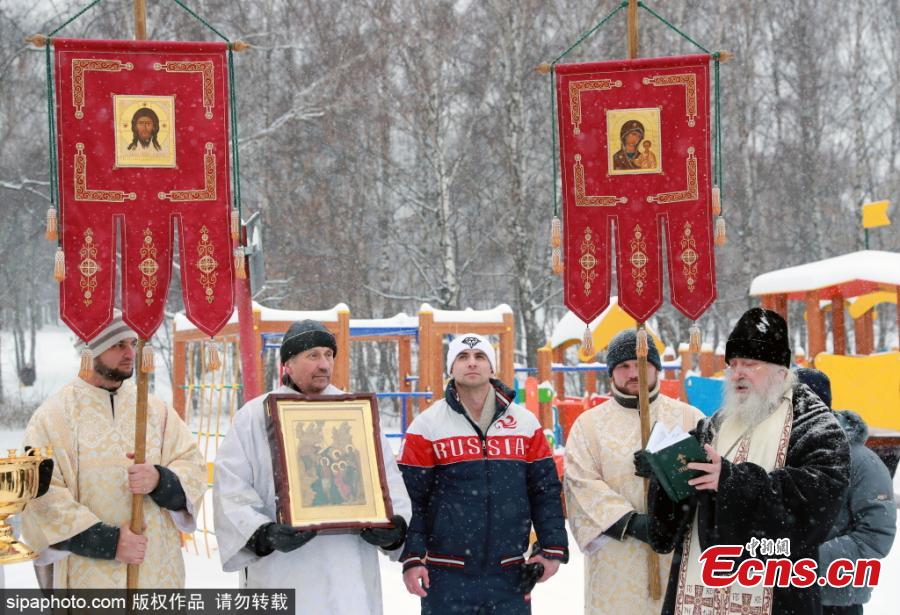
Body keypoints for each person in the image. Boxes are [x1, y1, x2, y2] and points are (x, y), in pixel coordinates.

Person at [642, 308, 850, 615]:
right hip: (697, 594)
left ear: (781, 370)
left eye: (750, 364)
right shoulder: (714, 425)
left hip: (777, 593)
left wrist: (731, 481)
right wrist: (666, 475)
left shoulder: (815, 425)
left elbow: (817, 503)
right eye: (733, 364)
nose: (737, 373)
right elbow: (674, 520)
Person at [213, 319, 412, 615]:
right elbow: (231, 488)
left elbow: (386, 478)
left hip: (349, 572)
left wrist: (395, 526)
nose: (324, 365)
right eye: (313, 355)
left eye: (329, 355)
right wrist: (262, 534)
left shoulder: (353, 415)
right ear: (288, 364)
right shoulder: (254, 417)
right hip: (283, 571)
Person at [20, 313, 207, 588]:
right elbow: (41, 497)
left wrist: (160, 480)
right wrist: (110, 542)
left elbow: (193, 467)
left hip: (156, 575)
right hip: (90, 579)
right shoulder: (52, 418)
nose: (130, 353)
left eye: (132, 343)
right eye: (117, 345)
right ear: (90, 350)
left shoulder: (156, 411)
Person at [399, 333, 568, 614]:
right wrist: (413, 557)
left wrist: (550, 549)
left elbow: (545, 491)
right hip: (445, 574)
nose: (472, 363)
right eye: (462, 357)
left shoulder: (525, 424)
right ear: (451, 368)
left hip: (510, 572)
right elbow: (411, 498)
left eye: (480, 357)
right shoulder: (427, 426)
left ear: (492, 367)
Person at [565, 330, 704, 613]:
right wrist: (632, 523)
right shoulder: (588, 426)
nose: (633, 373)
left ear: (656, 367)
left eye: (641, 364)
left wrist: (666, 474)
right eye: (623, 366)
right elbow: (581, 484)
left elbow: (709, 476)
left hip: (678, 551)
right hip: (617, 555)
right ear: (611, 373)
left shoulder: (690, 418)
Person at [796, 369, 896, 615]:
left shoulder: (862, 462)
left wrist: (808, 560)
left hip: (835, 599)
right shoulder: (785, 452)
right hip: (783, 595)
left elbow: (875, 535)